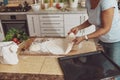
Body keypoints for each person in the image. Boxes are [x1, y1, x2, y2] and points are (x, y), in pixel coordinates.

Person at [68, 0, 120, 69]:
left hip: (115, 40)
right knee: (106, 64)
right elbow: (92, 20)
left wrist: (84, 37)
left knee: (115, 68)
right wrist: (78, 27)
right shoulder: (88, 1)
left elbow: (106, 28)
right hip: (102, 38)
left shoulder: (107, 2)